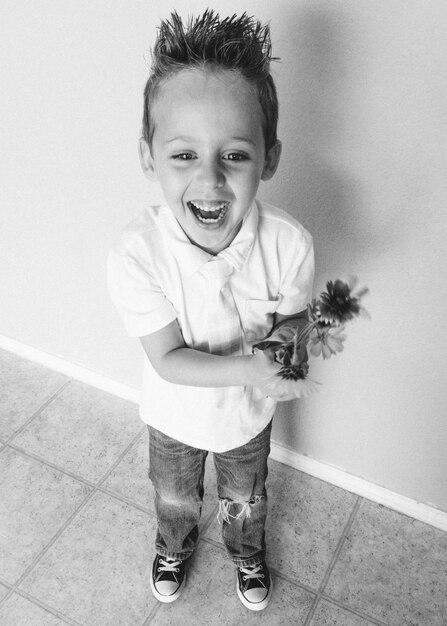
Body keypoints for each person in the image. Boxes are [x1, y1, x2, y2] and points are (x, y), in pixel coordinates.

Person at [107, 10, 314, 612]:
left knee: (247, 494)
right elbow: (168, 359)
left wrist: (297, 341)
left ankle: (247, 551)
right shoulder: (136, 255)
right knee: (174, 494)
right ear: (149, 157)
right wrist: (253, 369)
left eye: (234, 155)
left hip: (246, 420)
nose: (210, 180)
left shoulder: (290, 244)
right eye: (183, 155)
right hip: (174, 417)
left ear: (269, 159)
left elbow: (293, 321)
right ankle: (173, 543)